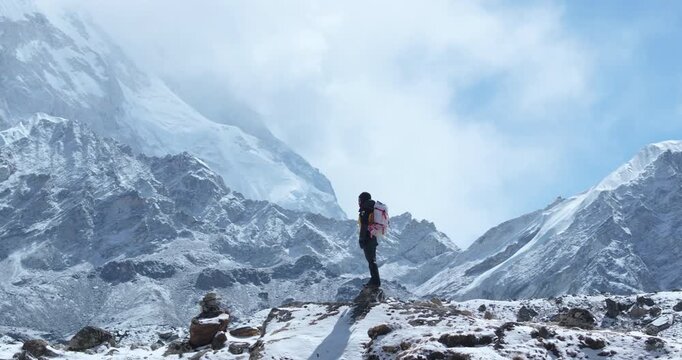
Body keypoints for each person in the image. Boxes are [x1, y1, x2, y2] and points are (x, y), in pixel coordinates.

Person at [358, 191, 381, 287]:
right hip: (373, 237)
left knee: (371, 261)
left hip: (367, 238)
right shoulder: (372, 208)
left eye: (359, 200)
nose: (358, 202)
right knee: (372, 260)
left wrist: (361, 239)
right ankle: (375, 280)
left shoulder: (365, 210)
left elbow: (364, 224)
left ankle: (375, 281)